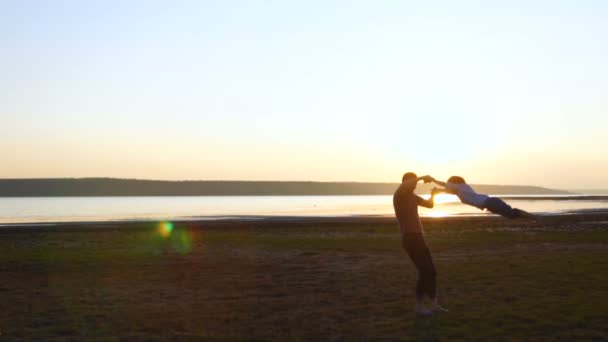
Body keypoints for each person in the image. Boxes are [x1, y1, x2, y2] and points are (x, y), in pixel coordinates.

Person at [393, 172, 448, 315]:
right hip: (410, 239)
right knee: (424, 271)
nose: (415, 185)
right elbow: (406, 184)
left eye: (416, 183)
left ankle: (434, 304)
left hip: (419, 238)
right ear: (406, 182)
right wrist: (424, 177)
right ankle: (419, 306)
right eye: (413, 182)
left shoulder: (412, 196)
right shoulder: (399, 194)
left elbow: (429, 205)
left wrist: (434, 195)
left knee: (432, 271)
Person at [430, 176, 535, 219]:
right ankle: (531, 218)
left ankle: (533, 217)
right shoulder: (461, 190)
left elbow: (446, 186)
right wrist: (437, 192)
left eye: (449, 182)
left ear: (453, 182)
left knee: (512, 213)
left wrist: (433, 180)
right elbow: (450, 192)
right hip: (490, 204)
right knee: (511, 214)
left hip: (490, 202)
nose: (448, 184)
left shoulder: (460, 187)